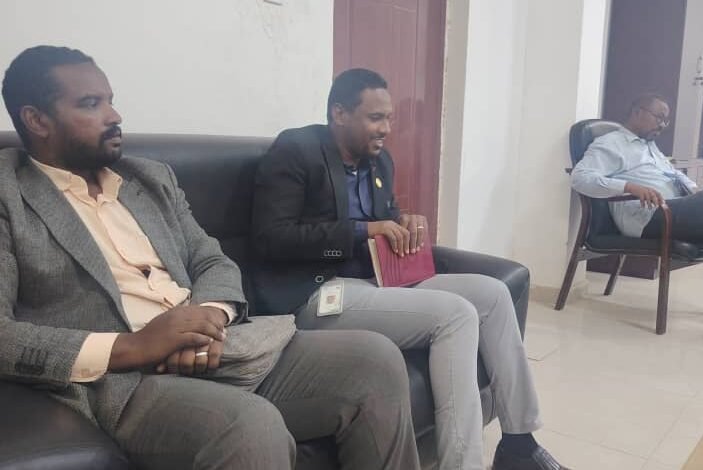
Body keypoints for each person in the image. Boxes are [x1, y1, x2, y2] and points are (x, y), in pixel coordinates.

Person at [0, 46, 421, 470]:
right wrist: (134, 347)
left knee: (375, 360)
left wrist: (208, 317)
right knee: (249, 427)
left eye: (111, 100)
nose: (115, 115)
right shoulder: (9, 195)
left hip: (216, 345)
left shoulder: (150, 178)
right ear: (37, 120)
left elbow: (212, 261)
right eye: (91, 104)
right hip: (123, 381)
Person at [252, 68, 568, 470]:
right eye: (375, 118)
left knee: (493, 294)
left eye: (389, 118)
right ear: (339, 113)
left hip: (376, 281)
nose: (386, 129)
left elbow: (384, 221)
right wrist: (362, 230)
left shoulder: (379, 162)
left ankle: (519, 444)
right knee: (455, 315)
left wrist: (403, 222)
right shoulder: (297, 150)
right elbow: (272, 238)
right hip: (317, 292)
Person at [571, 93, 703, 337]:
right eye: (659, 117)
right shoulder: (611, 143)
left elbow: (673, 175)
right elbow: (580, 178)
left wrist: (698, 193)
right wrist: (629, 186)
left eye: (666, 120)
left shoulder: (650, 147)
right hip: (648, 216)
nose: (663, 125)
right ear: (637, 111)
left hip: (674, 208)